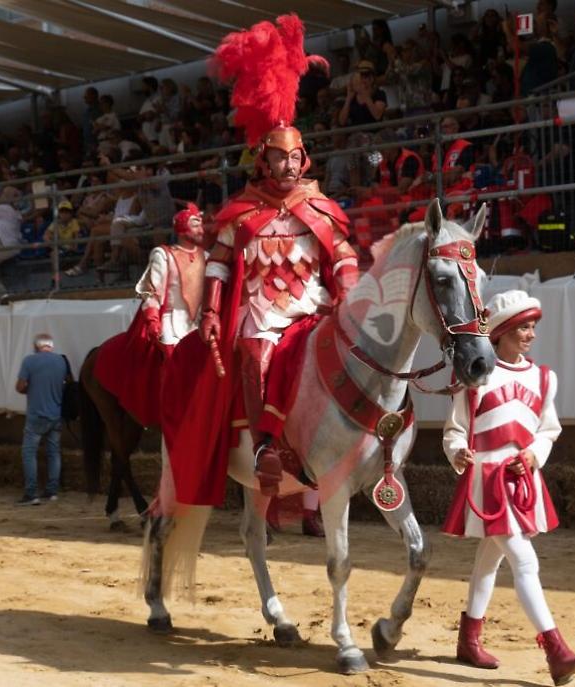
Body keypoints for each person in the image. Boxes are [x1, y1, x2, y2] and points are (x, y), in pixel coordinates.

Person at [163, 15, 359, 505]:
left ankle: (375, 440)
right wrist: (210, 310)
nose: (288, 166)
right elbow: (219, 264)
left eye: (295, 159)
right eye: (279, 159)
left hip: (313, 308)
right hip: (259, 311)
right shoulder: (241, 210)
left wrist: (351, 296)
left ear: (304, 160)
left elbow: (342, 256)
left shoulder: (321, 208)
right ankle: (264, 448)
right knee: (253, 354)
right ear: (264, 162)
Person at [441, 289, 575, 686]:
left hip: (521, 478)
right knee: (524, 562)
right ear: (503, 331)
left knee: (489, 559)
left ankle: (468, 639)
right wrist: (458, 452)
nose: (530, 334)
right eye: (523, 327)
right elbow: (455, 430)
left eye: (532, 327)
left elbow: (548, 429)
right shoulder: (474, 376)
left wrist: (534, 454)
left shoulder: (545, 378)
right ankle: (556, 650)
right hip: (487, 479)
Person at [96, 204, 206, 429]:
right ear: (183, 228)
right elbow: (151, 291)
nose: (202, 228)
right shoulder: (163, 254)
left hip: (200, 321)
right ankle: (171, 410)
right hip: (172, 320)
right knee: (171, 358)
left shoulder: (208, 256)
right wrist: (153, 319)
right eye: (196, 224)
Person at [15, 333, 70, 506]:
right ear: (51, 346)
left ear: (36, 346)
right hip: (56, 414)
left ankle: (31, 493)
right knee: (54, 453)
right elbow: (68, 383)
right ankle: (52, 491)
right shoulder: (61, 361)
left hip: (36, 415)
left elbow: (21, 386)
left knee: (29, 453)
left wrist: (29, 389)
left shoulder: (29, 361)